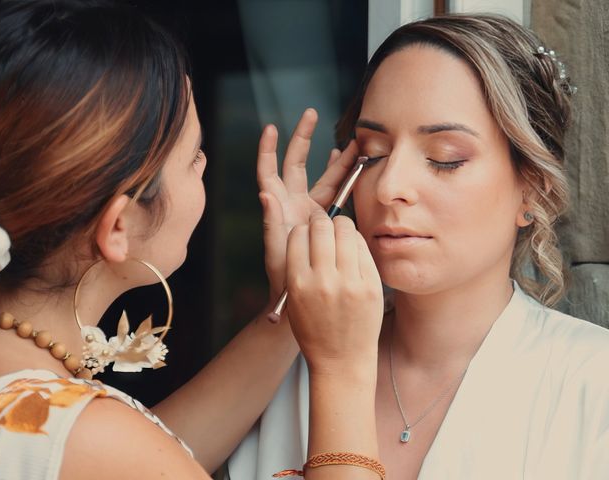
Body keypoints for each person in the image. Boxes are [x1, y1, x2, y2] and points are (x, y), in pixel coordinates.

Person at [0, 1, 386, 479]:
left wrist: (289, 312)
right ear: (118, 227)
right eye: (194, 156)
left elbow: (151, 448)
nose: (206, 165)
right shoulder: (92, 439)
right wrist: (343, 368)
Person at [228, 13, 609, 480]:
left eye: (445, 159)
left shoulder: (593, 385)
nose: (389, 186)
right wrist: (289, 303)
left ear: (533, 191)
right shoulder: (276, 375)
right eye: (372, 153)